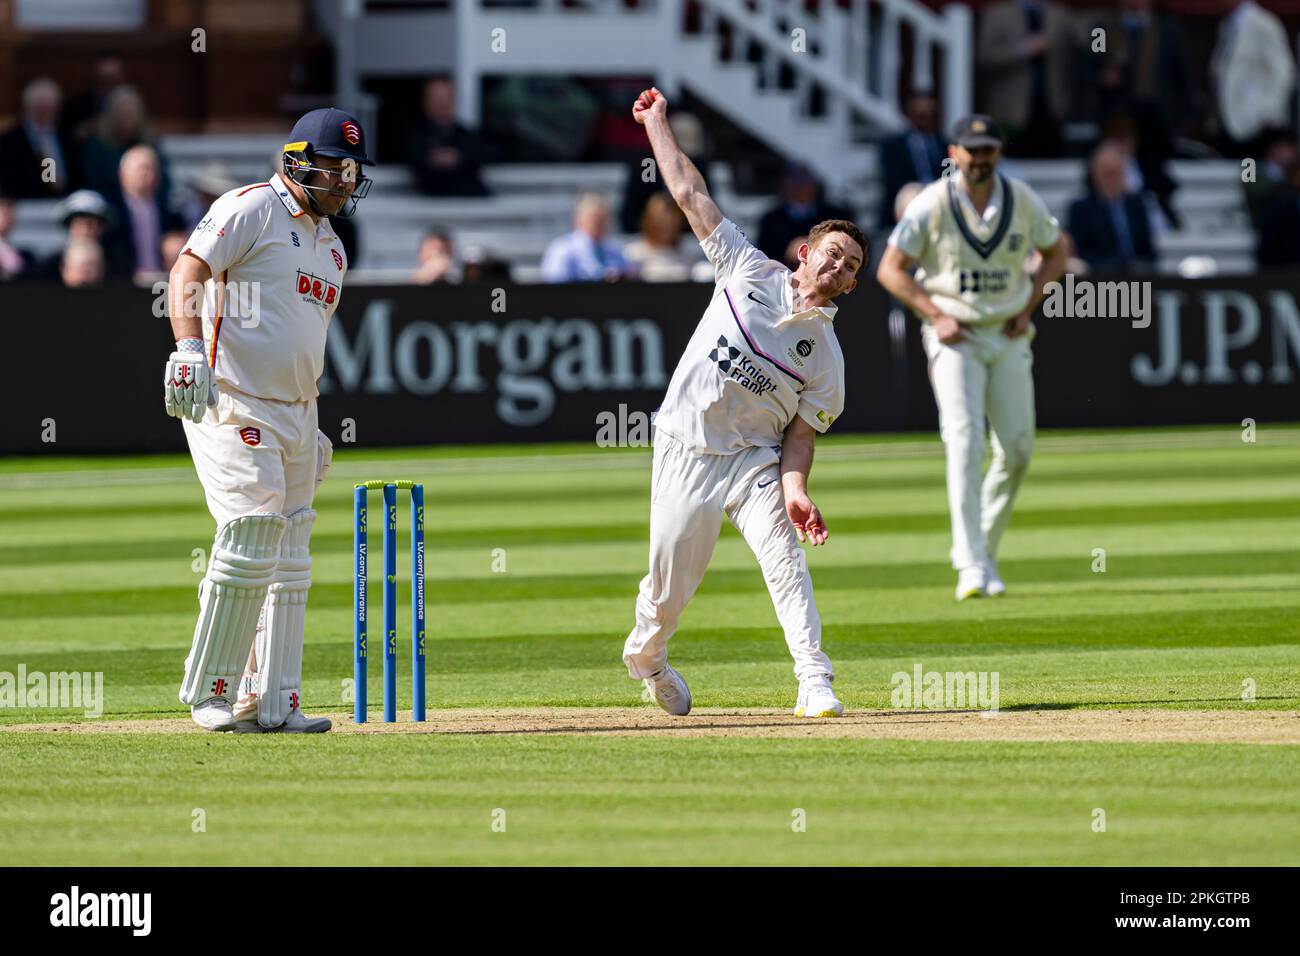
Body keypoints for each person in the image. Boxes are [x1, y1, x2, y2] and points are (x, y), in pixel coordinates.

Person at [624, 87, 866, 719]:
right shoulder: (746, 269)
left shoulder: (828, 358)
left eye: (851, 266)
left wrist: (796, 490)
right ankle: (648, 657)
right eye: (833, 252)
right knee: (670, 590)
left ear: (851, 283)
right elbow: (688, 195)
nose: (839, 266)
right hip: (687, 447)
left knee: (784, 559)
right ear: (806, 252)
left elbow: (801, 438)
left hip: (752, 461)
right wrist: (657, 124)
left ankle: (815, 681)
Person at [163, 107, 373, 733]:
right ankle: (212, 691)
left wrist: (309, 419)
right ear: (296, 160)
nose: (343, 181)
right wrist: (188, 348)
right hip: (231, 396)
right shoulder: (251, 207)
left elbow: (301, 339)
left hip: (296, 414)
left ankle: (276, 701)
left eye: (350, 170)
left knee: (291, 552)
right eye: (333, 167)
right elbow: (187, 269)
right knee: (253, 534)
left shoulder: (332, 248)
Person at [877, 115, 1066, 600]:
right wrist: (934, 313)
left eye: (988, 150)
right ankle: (971, 563)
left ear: (998, 152)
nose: (980, 159)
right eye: (971, 150)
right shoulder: (933, 202)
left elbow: (1056, 251)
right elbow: (891, 270)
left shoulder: (1022, 198)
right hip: (954, 335)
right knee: (964, 442)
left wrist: (1028, 306)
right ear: (954, 152)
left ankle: (983, 549)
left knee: (1018, 448)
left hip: (1006, 333)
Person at [1211, 0, 1295, 153]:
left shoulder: (1263, 23)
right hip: (1231, 120)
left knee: (1252, 173)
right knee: (1241, 172)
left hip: (1257, 123)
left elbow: (1283, 71)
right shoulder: (1226, 25)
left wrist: (1269, 111)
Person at [1067, 141, 1156, 273]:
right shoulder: (1081, 210)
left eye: (1115, 173)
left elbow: (1148, 251)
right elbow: (1081, 255)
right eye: (1106, 174)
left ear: (1123, 174)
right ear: (1095, 175)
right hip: (1098, 281)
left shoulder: (1136, 206)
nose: (1111, 180)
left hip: (1138, 279)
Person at [104, 144, 184, 279]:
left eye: (152, 168)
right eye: (141, 168)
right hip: (122, 283)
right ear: (123, 174)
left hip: (163, 282)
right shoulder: (110, 211)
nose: (146, 173)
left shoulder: (170, 212)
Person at [406, 76, 491, 197]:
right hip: (431, 204)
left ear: (454, 100)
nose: (442, 103)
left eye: (446, 97)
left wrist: (457, 157)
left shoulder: (468, 135)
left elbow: (481, 157)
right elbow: (420, 170)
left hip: (471, 202)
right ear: (425, 102)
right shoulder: (416, 137)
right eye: (436, 98)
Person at [756, 163, 853, 261]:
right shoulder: (771, 221)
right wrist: (789, 253)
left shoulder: (837, 216)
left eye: (805, 181)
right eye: (796, 182)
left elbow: (851, 249)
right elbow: (765, 257)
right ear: (785, 186)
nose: (801, 187)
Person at [878, 91, 947, 228]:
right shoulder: (893, 146)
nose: (923, 116)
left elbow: (949, 174)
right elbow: (892, 181)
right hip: (904, 209)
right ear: (909, 113)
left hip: (939, 207)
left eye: (927, 112)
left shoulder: (943, 145)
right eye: (919, 112)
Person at [0, 78, 74, 198]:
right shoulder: (8, 141)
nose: (44, 112)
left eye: (50, 107)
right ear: (26, 107)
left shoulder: (68, 137)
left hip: (64, 201)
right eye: (39, 107)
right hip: (26, 205)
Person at [539, 192, 631, 282]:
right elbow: (555, 289)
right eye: (594, 219)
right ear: (577, 220)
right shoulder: (562, 250)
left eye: (604, 219)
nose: (600, 224)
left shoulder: (614, 252)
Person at [622, 191, 703, 281]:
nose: (666, 229)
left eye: (671, 223)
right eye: (660, 223)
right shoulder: (633, 254)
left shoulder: (689, 252)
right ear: (649, 222)